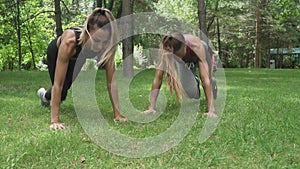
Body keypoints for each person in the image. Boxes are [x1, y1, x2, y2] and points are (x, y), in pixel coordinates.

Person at [37, 8, 127, 130]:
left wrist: (118, 115)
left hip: (79, 57)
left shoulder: (107, 47)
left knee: (65, 88)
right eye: (96, 40)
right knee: (60, 89)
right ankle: (43, 95)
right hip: (56, 52)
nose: (99, 46)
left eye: (104, 42)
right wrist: (55, 121)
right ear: (88, 32)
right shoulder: (70, 41)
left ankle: (46, 95)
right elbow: (58, 83)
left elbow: (112, 82)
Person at [143, 32, 218, 118]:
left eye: (179, 55)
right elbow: (158, 78)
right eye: (175, 57)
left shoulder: (196, 45)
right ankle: (195, 80)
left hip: (202, 53)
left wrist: (211, 111)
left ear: (185, 45)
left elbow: (205, 79)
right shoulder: (166, 49)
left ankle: (213, 82)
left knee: (208, 79)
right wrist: (151, 107)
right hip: (186, 58)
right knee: (191, 93)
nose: (178, 59)